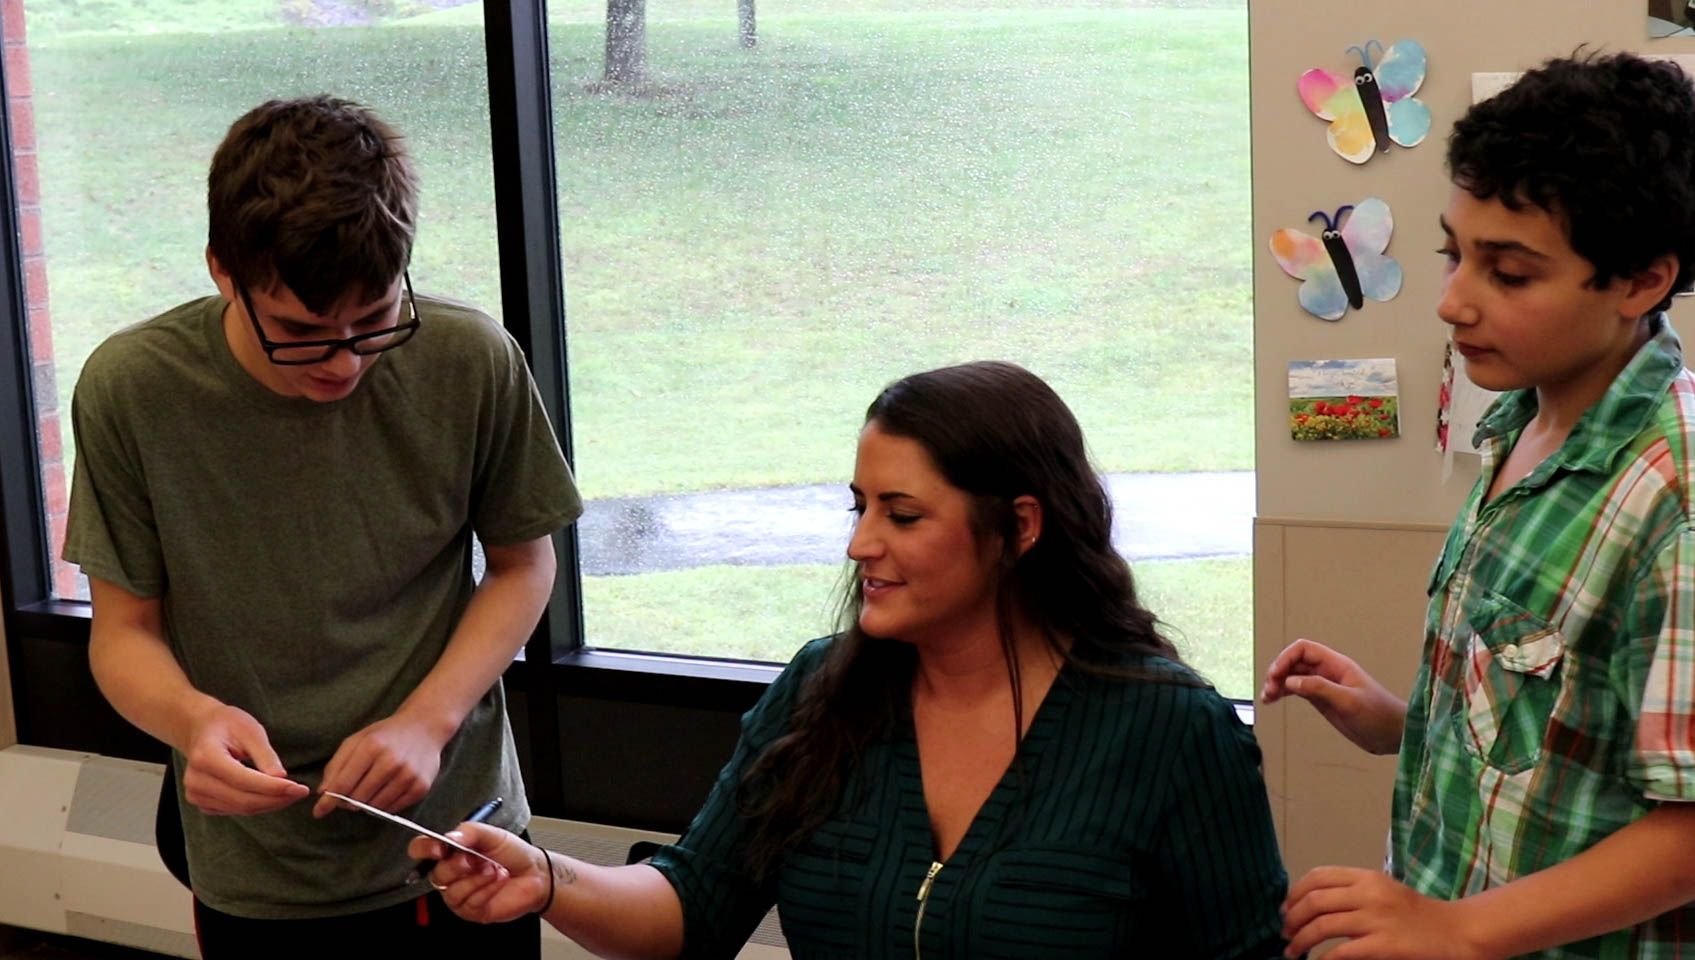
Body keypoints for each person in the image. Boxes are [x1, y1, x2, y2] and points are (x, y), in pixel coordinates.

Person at [409, 360, 1289, 959]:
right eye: (858, 507)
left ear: (1020, 526)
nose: (861, 543)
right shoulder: (820, 692)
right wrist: (547, 879)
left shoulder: (1171, 730)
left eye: (902, 515)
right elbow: (692, 904)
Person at [62, 96, 580, 954]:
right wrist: (192, 721)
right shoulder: (132, 390)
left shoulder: (470, 359)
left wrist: (427, 720)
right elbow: (122, 634)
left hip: (460, 842)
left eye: (374, 321)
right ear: (223, 271)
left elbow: (525, 567)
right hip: (260, 871)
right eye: (302, 333)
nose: (344, 363)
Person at [1264, 52, 1695, 959]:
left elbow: (1685, 835)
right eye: (1452, 254)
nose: (1452, 302)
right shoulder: (1520, 421)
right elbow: (1557, 718)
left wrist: (1457, 929)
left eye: (1508, 273)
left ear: (1640, 282)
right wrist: (1402, 720)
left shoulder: (1674, 497)